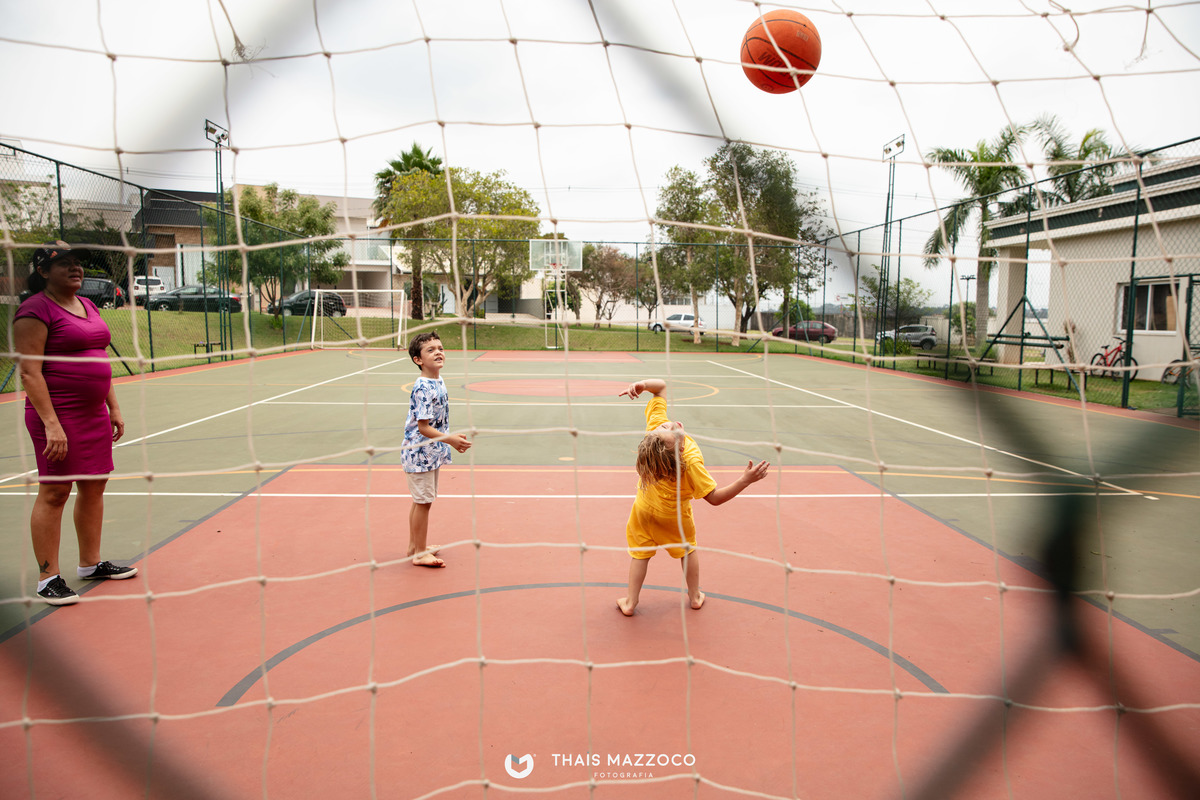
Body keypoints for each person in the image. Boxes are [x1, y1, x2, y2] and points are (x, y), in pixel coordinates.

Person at [14, 241, 137, 606]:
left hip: (93, 413)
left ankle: (90, 563)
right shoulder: (34, 310)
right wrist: (52, 425)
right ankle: (48, 577)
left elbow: (98, 359)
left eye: (77, 263)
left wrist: (112, 406)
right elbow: (30, 373)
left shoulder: (87, 304)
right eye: (64, 264)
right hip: (57, 415)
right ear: (43, 272)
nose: (75, 269)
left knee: (94, 486)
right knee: (55, 492)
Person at [616, 378, 769, 616]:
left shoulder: (654, 434)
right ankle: (695, 596)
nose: (669, 425)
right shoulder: (690, 463)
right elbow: (714, 498)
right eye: (669, 430)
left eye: (665, 427)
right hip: (675, 517)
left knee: (640, 554)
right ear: (679, 450)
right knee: (687, 550)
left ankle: (630, 602)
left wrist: (643, 385)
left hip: (643, 511)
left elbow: (661, 389)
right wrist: (744, 481)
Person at [402, 331, 472, 567]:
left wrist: (449, 436)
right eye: (430, 350)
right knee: (423, 501)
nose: (438, 352)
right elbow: (423, 427)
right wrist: (450, 439)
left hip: (429, 452)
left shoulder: (437, 380)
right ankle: (420, 553)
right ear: (418, 360)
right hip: (419, 452)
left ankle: (415, 547)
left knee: (422, 500)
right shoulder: (423, 387)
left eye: (440, 348)